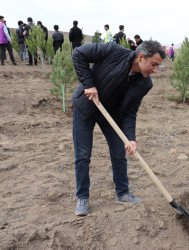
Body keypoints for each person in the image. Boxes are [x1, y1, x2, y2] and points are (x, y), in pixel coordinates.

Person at [71, 40, 166, 216]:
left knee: (119, 152)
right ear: (140, 57)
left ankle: (122, 193)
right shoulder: (112, 51)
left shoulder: (145, 84)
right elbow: (79, 54)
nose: (155, 70)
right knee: (83, 155)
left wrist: (130, 138)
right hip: (86, 106)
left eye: (157, 66)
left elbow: (130, 112)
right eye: (153, 65)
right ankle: (83, 197)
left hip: (111, 115)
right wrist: (88, 84)